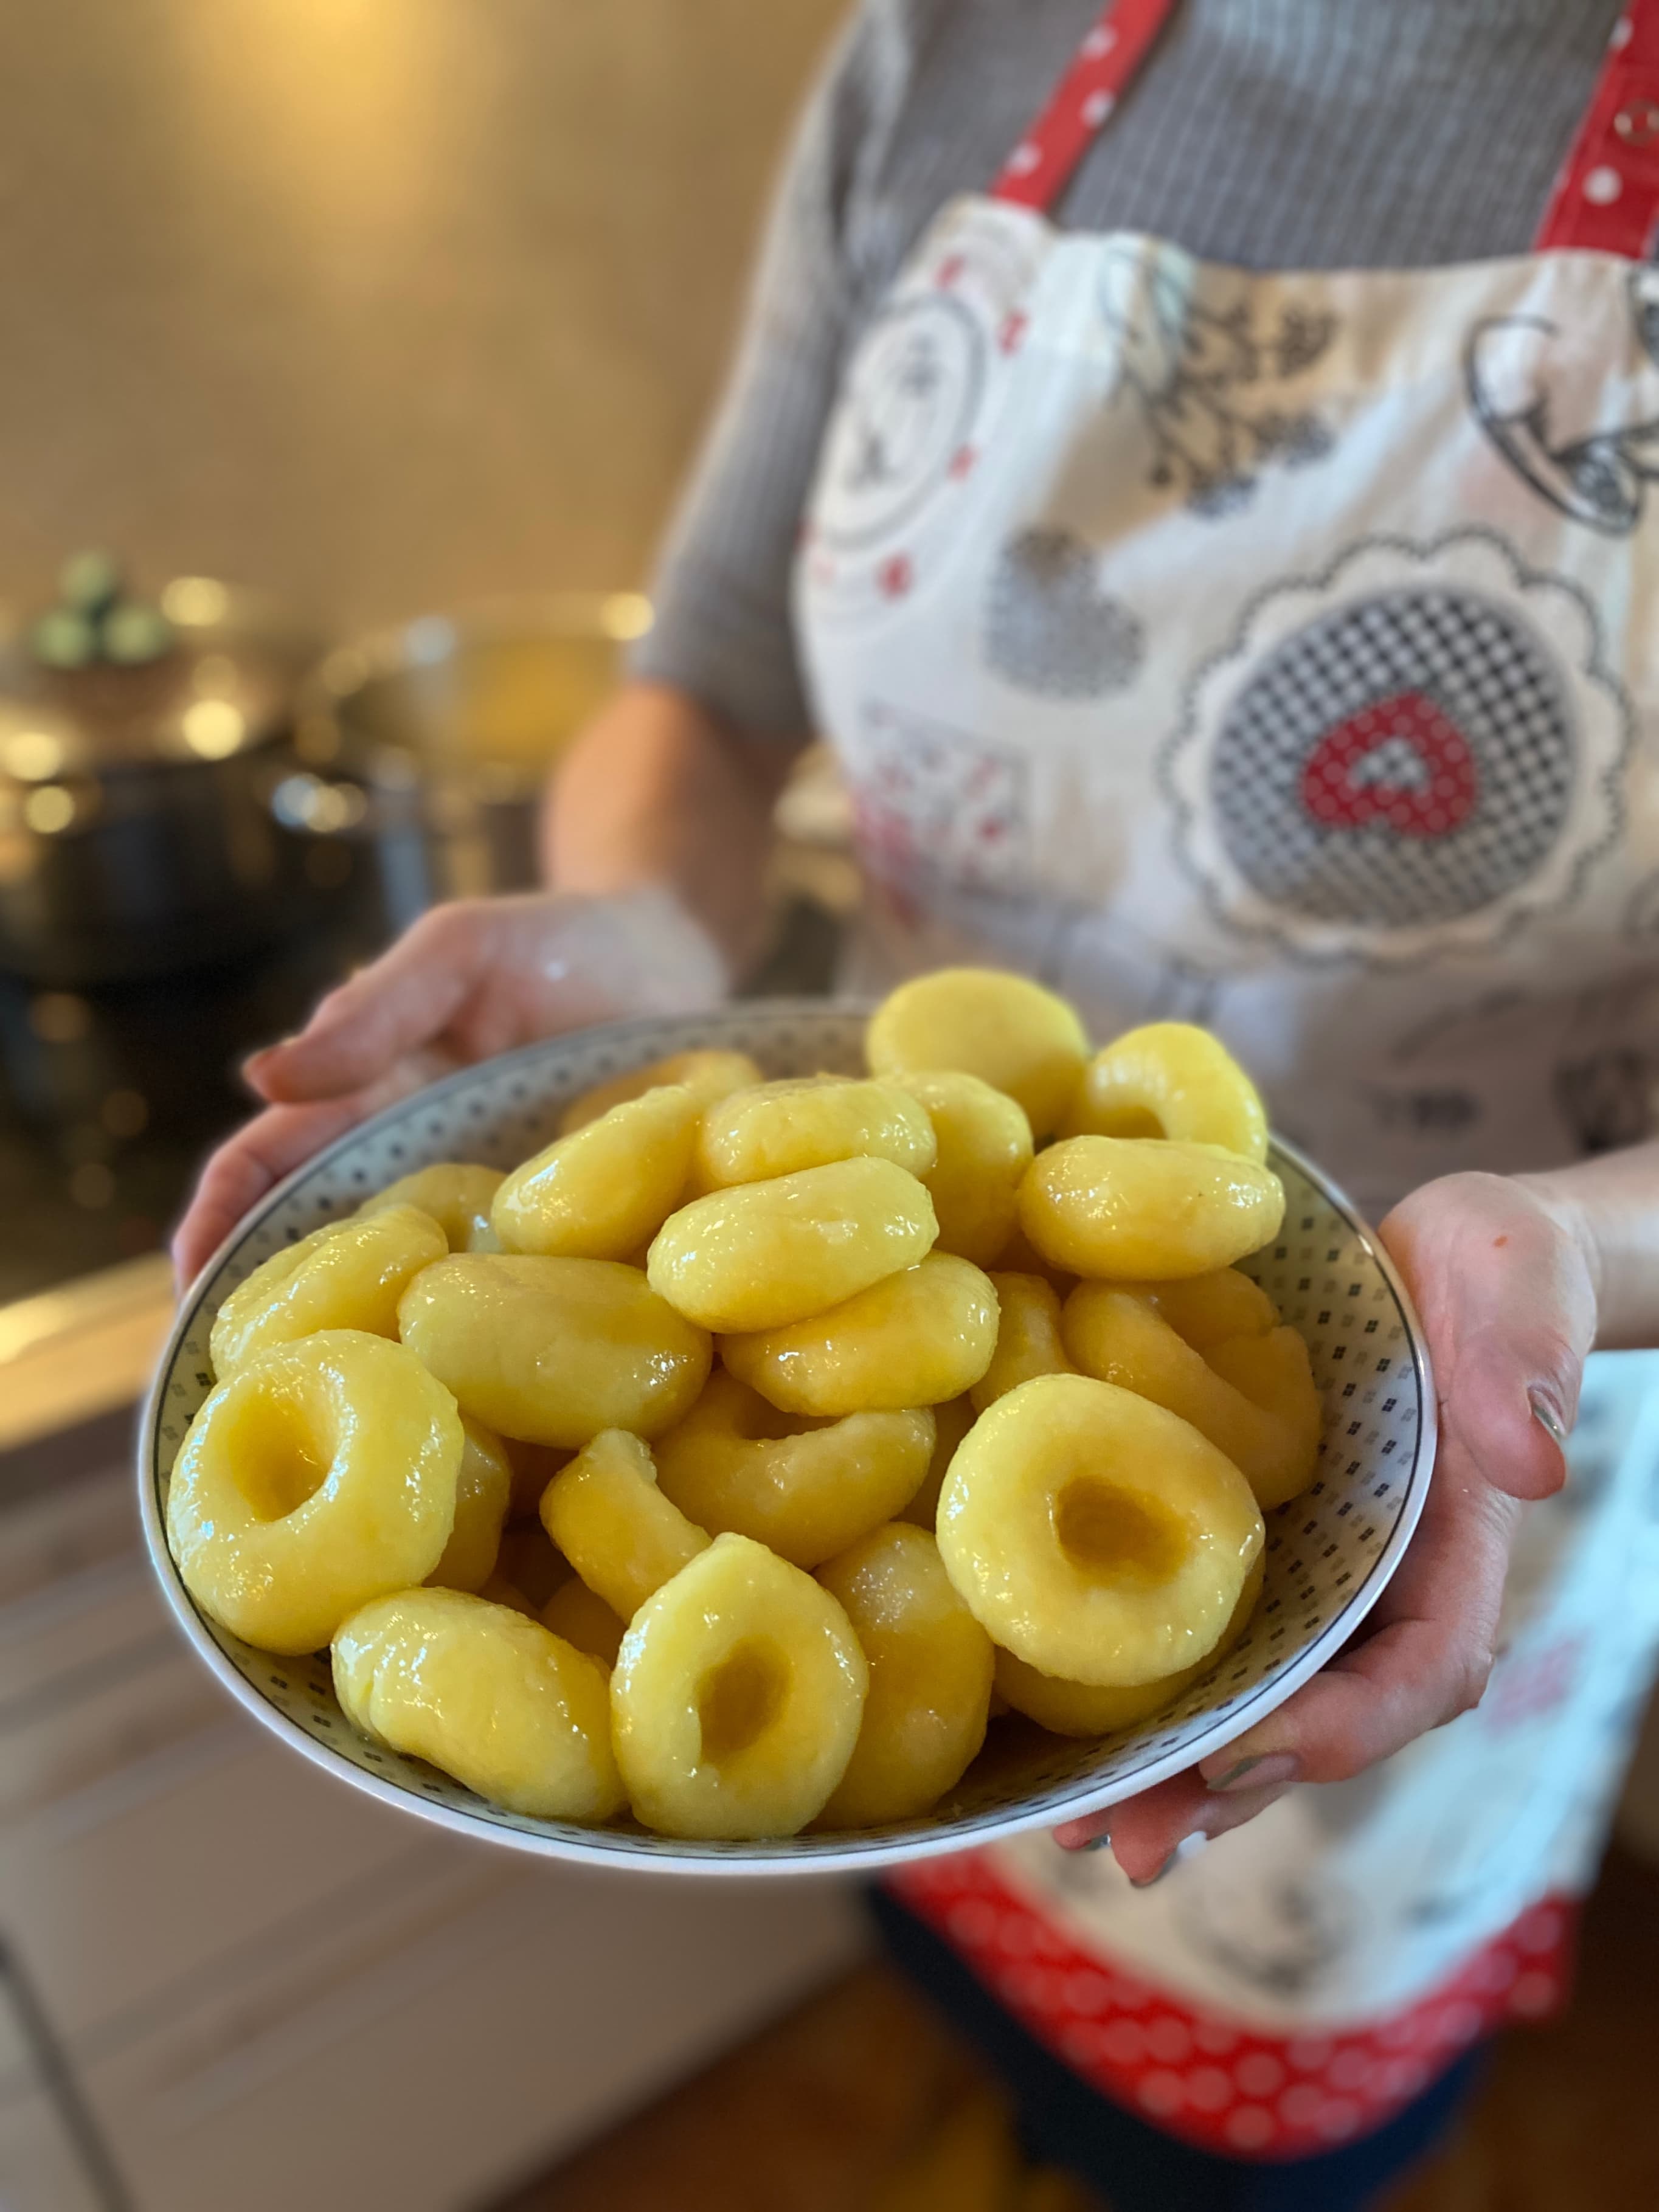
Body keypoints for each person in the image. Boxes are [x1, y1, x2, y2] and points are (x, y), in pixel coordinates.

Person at [175, 2, 1659, 2203]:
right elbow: (704, 686)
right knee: (928, 1884)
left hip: (1445, 1415)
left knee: (1250, 2130)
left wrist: (1577, 1248)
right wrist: (643, 936)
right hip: (887, 1446)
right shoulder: (949, 47)